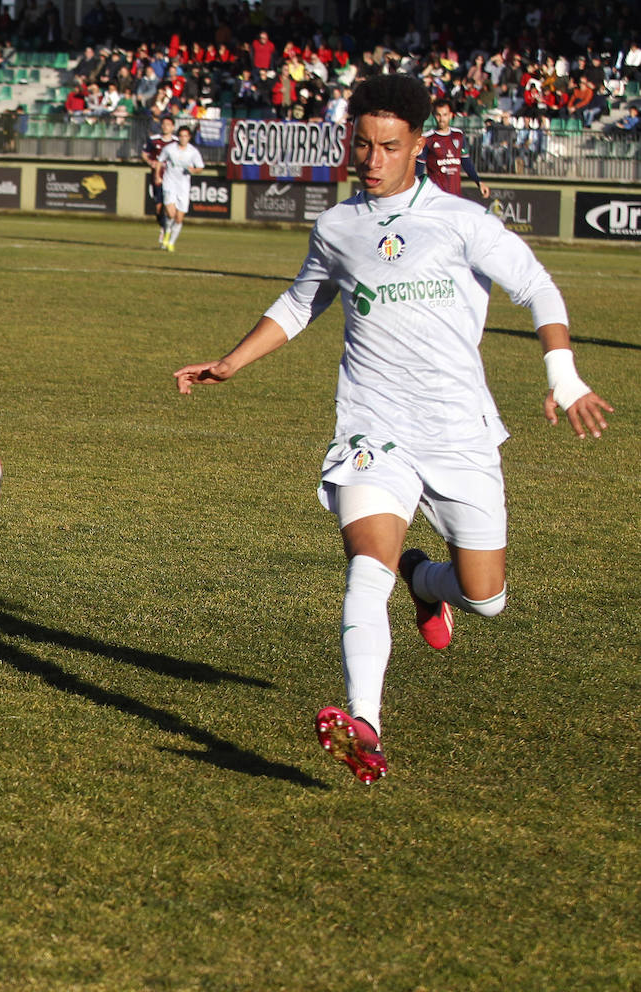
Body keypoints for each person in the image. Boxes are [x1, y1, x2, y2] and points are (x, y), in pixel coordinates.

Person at [172, 74, 612, 785]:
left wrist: (563, 376)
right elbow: (300, 300)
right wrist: (233, 361)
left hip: (458, 430)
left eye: (388, 146)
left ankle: (425, 578)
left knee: (488, 596)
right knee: (362, 571)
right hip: (373, 426)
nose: (371, 160)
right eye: (362, 145)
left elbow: (536, 287)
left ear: (418, 147)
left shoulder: (461, 220)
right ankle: (365, 723)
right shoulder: (337, 226)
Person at [419, 97, 490, 199]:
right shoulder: (427, 138)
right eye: (438, 115)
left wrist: (479, 182)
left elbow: (466, 162)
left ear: (451, 115)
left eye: (445, 115)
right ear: (434, 116)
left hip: (455, 196)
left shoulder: (458, 135)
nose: (441, 119)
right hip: (435, 198)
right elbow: (418, 170)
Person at [156, 122, 204, 252]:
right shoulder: (169, 148)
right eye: (181, 136)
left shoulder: (193, 152)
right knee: (170, 213)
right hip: (169, 183)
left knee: (179, 218)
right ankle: (166, 233)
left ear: (189, 137)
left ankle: (171, 242)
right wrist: (157, 176)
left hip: (183, 185)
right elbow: (160, 161)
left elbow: (200, 167)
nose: (183, 138)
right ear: (178, 137)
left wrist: (194, 170)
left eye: (186, 136)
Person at [141, 114, 175, 246]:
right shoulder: (153, 140)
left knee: (170, 206)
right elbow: (144, 154)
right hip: (157, 176)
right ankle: (163, 227)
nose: (165, 127)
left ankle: (167, 230)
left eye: (168, 125)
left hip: (172, 179)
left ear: (173, 127)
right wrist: (150, 162)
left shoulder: (176, 141)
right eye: (164, 124)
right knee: (158, 207)